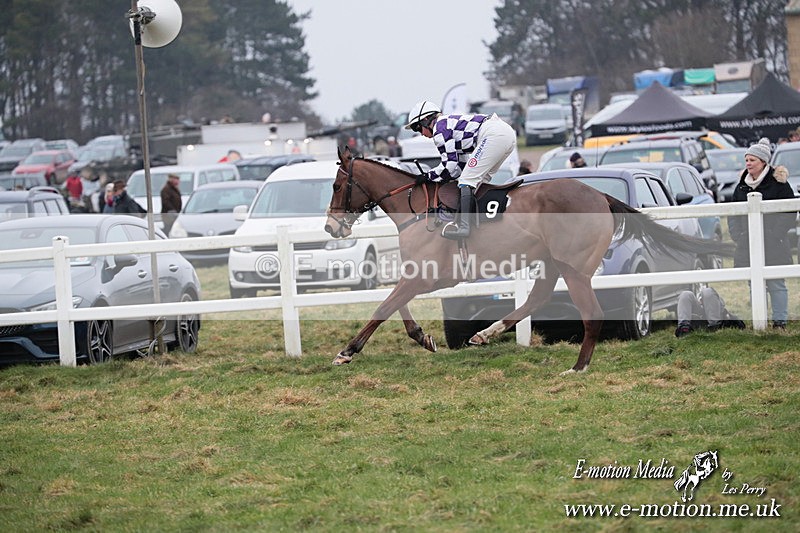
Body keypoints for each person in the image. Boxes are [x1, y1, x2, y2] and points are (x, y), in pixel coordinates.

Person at [404, 100, 516, 239]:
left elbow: (449, 166)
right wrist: (437, 176)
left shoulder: (440, 128)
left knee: (467, 180)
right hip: (504, 134)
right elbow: (459, 168)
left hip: (494, 135)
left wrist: (429, 176)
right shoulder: (447, 126)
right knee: (477, 180)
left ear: (427, 120)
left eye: (417, 127)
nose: (420, 133)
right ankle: (482, 221)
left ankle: (464, 227)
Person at [728, 138, 795, 329]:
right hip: (747, 243)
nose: (748, 164)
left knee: (776, 283)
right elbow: (732, 213)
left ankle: (779, 322)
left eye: (752, 160)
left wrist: (775, 234)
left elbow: (789, 211)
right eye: (746, 160)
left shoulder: (779, 184)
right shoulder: (741, 185)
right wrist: (738, 235)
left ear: (763, 162)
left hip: (774, 243)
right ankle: (760, 320)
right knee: (754, 284)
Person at [675, 287, 746, 337]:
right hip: (699, 319)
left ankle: (715, 326)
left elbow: (740, 324)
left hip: (715, 319)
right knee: (685, 294)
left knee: (707, 292)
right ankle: (683, 329)